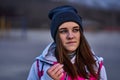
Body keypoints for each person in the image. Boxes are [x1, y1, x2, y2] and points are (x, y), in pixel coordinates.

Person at [27, 5, 107, 80]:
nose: (70, 36)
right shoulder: (40, 65)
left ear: (80, 34)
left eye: (75, 30)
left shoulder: (96, 64)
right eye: (63, 31)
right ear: (56, 36)